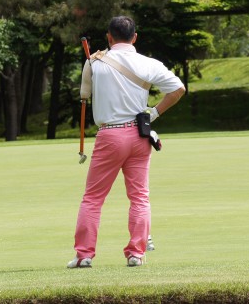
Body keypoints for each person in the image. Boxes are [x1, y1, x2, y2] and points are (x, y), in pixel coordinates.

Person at [68, 16, 186, 268]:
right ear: (135, 37)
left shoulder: (95, 62)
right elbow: (178, 89)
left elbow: (84, 95)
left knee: (92, 198)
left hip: (110, 135)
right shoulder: (148, 63)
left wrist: (90, 63)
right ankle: (136, 253)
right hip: (139, 134)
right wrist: (153, 113)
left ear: (109, 37)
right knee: (140, 197)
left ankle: (84, 255)